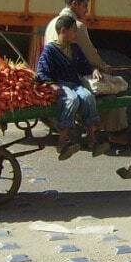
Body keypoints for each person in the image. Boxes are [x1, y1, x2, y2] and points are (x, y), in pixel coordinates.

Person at [43, 0, 130, 145]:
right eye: (84, 6)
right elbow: (90, 56)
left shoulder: (51, 24)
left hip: (61, 78)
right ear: (74, 4)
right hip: (71, 79)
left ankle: (89, 133)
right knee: (115, 93)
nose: (87, 11)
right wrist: (104, 67)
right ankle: (116, 134)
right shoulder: (77, 26)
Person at [36, 14, 106, 160]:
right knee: (72, 100)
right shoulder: (50, 50)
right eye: (74, 30)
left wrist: (94, 70)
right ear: (63, 30)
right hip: (60, 85)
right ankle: (62, 142)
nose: (76, 34)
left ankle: (93, 139)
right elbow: (42, 72)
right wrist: (51, 85)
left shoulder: (75, 48)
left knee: (87, 97)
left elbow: (85, 66)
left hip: (75, 84)